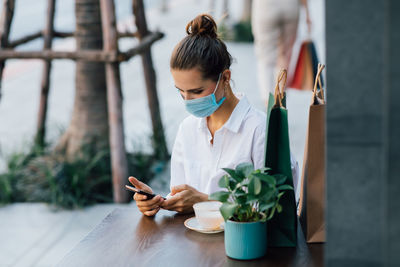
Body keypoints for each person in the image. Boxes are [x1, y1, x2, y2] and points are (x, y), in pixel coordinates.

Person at [128, 14, 299, 217]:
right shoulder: (188, 129)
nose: (188, 100)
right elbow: (181, 196)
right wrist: (158, 202)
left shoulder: (260, 130)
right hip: (192, 243)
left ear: (225, 78)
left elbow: (276, 207)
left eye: (197, 91)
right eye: (180, 91)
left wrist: (207, 203)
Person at [252, 0, 311, 102]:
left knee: (265, 56)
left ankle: (268, 102)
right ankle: (280, 101)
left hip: (265, 6)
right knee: (285, 56)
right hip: (290, 6)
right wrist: (307, 12)